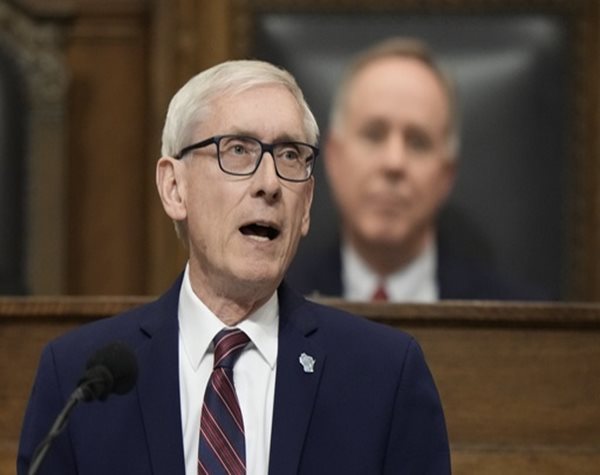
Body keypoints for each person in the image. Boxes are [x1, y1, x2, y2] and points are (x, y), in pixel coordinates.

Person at [17, 59, 450, 474]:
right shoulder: (78, 381)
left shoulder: (384, 376)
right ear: (174, 188)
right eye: (238, 150)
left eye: (290, 155)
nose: (270, 184)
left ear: (306, 206)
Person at [286, 37, 536, 302]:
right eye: (374, 135)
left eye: (418, 142)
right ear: (334, 157)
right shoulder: (274, 303)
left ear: (447, 175)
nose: (394, 162)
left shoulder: (518, 315)